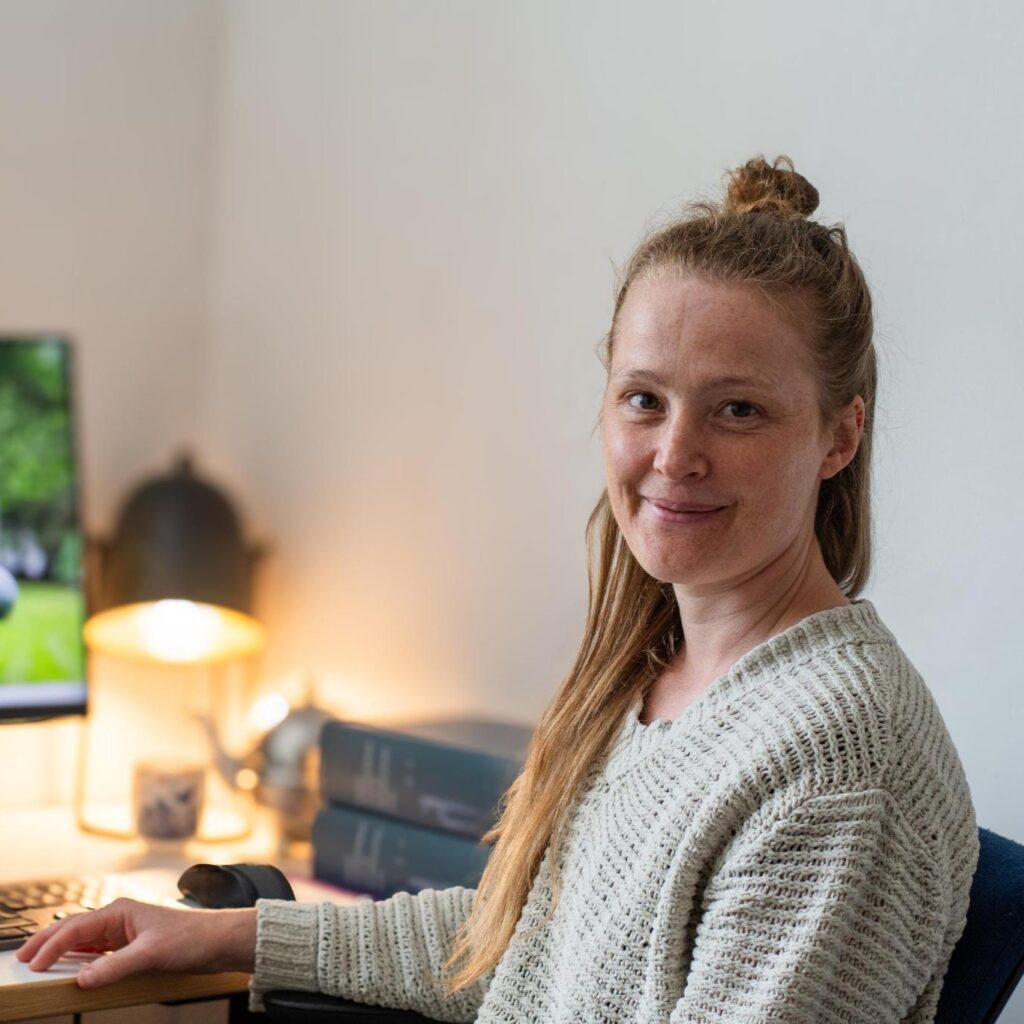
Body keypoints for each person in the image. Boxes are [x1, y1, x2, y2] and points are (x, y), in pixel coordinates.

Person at [18, 155, 979, 1024]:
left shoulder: (841, 769)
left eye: (739, 409)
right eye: (644, 399)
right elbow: (518, 947)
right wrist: (236, 935)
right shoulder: (667, 681)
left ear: (840, 437)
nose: (674, 456)